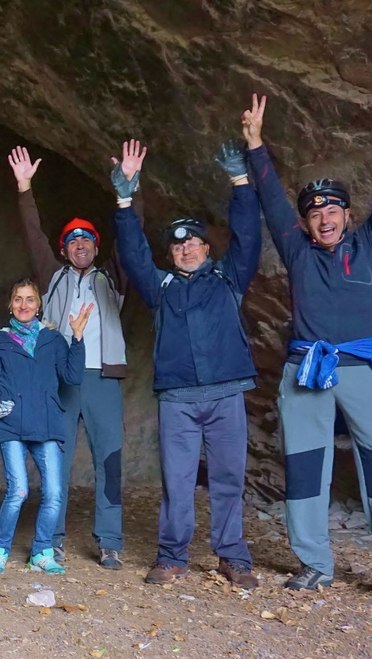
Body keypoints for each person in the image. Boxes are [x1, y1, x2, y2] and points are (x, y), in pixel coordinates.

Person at [244, 73, 372, 607]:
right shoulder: (298, 251)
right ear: (304, 225)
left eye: (332, 210)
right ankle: (312, 564)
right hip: (308, 367)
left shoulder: (371, 243)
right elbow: (271, 202)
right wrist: (256, 144)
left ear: (348, 216)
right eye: (314, 213)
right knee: (304, 462)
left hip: (363, 366)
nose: (323, 218)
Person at [112, 138, 262, 589]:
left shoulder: (229, 278)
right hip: (177, 397)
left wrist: (241, 182)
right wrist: (124, 199)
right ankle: (172, 555)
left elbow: (250, 235)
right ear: (171, 253)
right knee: (177, 480)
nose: (186, 250)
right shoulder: (160, 288)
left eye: (194, 242)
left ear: (205, 246)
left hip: (226, 392)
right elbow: (133, 253)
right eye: (178, 246)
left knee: (228, 477)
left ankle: (232, 556)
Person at [8, 146, 127, 569]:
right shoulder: (53, 277)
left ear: (97, 247)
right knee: (54, 459)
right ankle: (52, 538)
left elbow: (132, 234)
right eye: (73, 240)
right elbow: (32, 234)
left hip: (103, 379)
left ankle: (110, 540)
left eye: (87, 240)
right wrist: (25, 187)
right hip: (62, 380)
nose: (80, 245)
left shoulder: (114, 275)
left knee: (108, 459)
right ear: (64, 249)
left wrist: (129, 190)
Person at [0, 281, 90, 575]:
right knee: (18, 490)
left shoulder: (53, 339)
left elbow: (72, 377)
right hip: (13, 425)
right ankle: (0, 550)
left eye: (30, 300)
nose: (23, 305)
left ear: (38, 305)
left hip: (47, 423)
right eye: (18, 299)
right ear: (10, 305)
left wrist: (78, 338)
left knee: (55, 492)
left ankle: (42, 552)